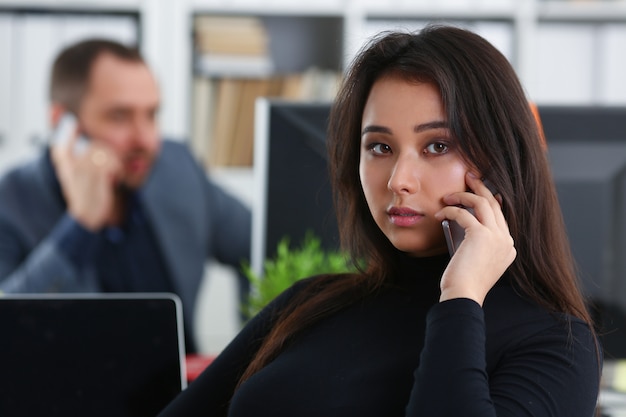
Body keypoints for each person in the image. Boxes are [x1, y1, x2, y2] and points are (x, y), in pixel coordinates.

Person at [156, 25, 601, 416]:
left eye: (438, 146)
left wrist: (461, 295)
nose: (399, 180)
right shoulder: (311, 304)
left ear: (504, 158)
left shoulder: (557, 345)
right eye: (380, 148)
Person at [0, 39, 251, 353]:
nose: (145, 139)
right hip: (73, 396)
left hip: (184, 396)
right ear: (62, 124)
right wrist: (79, 227)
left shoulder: (177, 168)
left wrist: (254, 353)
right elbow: (8, 328)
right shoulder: (10, 200)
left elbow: (261, 245)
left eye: (151, 114)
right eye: (119, 116)